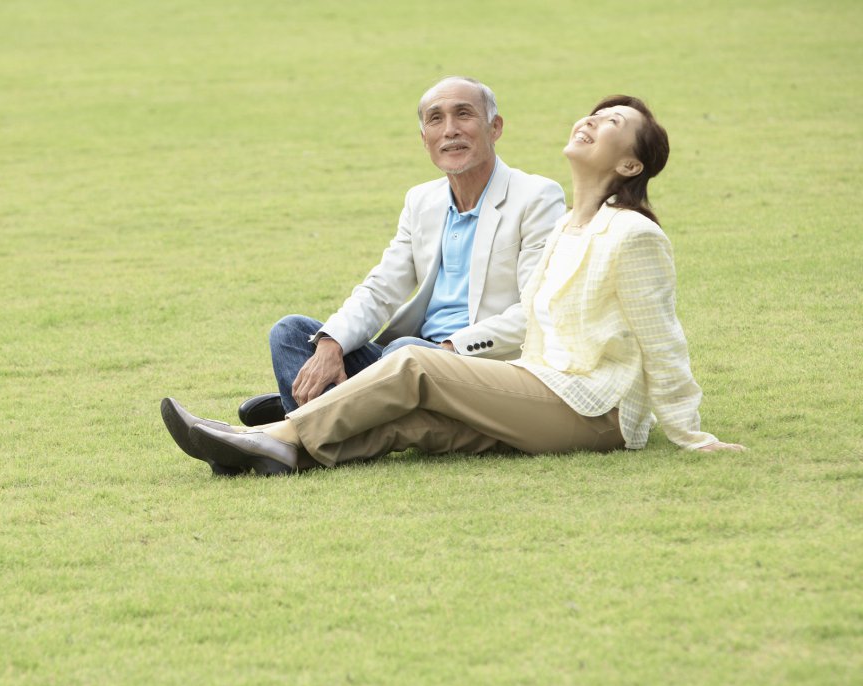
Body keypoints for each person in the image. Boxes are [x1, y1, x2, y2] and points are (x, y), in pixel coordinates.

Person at [163, 95, 744, 476]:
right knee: (410, 424)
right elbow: (384, 285)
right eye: (594, 113)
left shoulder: (631, 234)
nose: (591, 120)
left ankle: (277, 428)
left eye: (613, 122)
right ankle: (273, 451)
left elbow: (663, 339)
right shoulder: (569, 226)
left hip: (597, 408)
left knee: (415, 365)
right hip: (537, 385)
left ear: (630, 166)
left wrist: (689, 432)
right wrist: (337, 340)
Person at [235, 76, 567, 428]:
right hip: (408, 360)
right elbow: (381, 288)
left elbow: (535, 311)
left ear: (494, 127)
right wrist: (330, 344)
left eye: (464, 114)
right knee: (291, 333)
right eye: (436, 119)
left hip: (480, 368)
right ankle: (327, 419)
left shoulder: (536, 196)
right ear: (425, 139)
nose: (450, 130)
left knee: (405, 353)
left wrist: (450, 349)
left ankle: (293, 426)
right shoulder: (422, 200)